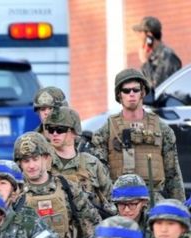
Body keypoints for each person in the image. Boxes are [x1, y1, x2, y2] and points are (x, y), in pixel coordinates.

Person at [91, 68, 185, 201]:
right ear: (119, 95)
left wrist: (179, 207)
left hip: (152, 197)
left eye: (135, 90)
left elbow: (173, 174)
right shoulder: (105, 131)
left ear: (143, 92)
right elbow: (100, 175)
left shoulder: (163, 129)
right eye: (126, 90)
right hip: (120, 200)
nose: (131, 94)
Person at [15, 132, 101, 238]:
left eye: (35, 159)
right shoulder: (16, 194)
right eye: (26, 161)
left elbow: (92, 225)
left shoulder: (68, 187)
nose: (31, 165)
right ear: (20, 164)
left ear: (46, 158)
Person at [46, 106, 114, 216]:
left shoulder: (92, 164)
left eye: (60, 130)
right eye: (50, 129)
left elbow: (110, 198)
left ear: (74, 132)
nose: (54, 133)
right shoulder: (42, 163)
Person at [133, 16, 182, 88]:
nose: (139, 36)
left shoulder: (167, 56)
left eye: (141, 32)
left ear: (149, 35)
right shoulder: (151, 56)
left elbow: (157, 88)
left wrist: (145, 62)